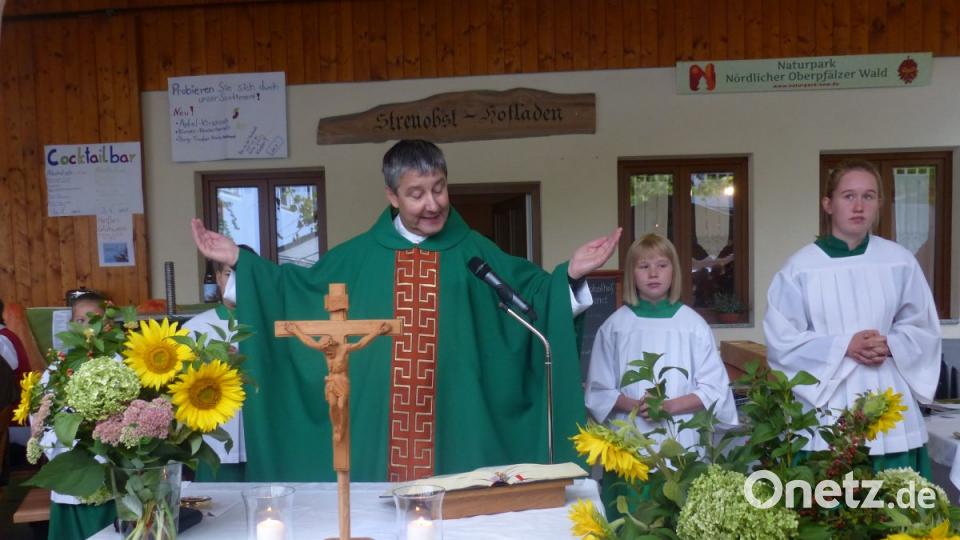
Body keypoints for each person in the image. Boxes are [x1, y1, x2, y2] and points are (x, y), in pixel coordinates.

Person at [192, 139, 621, 482]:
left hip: (458, 430)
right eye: (416, 194)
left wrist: (571, 275)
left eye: (439, 188)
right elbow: (293, 290)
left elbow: (534, 304)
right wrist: (240, 261)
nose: (432, 204)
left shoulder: (475, 253)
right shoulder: (357, 258)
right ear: (392, 196)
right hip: (376, 437)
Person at [764, 160, 941, 476]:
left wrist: (891, 344)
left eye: (869, 196)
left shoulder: (899, 262)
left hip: (891, 405)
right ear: (828, 204)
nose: (859, 206)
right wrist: (845, 345)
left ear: (879, 204)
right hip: (826, 409)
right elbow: (782, 340)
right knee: (831, 514)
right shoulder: (800, 268)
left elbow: (922, 326)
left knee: (899, 509)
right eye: (848, 196)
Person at [584, 234, 738, 516]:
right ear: (631, 273)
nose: (653, 273)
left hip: (683, 444)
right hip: (629, 448)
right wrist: (638, 407)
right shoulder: (616, 326)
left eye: (662, 265)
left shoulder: (693, 325)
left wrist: (668, 407)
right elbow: (598, 391)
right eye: (643, 266)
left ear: (674, 272)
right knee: (634, 523)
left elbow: (715, 389)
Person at [44, 292, 116, 540]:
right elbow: (43, 415)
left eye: (92, 319)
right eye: (79, 320)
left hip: (110, 461)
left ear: (108, 324)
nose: (85, 326)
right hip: (70, 461)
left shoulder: (119, 362)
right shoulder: (58, 368)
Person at [183, 258, 246, 481]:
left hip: (261, 429)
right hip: (217, 429)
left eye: (244, 275)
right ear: (218, 277)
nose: (236, 283)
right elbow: (181, 380)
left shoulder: (274, 323)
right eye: (229, 274)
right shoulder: (195, 327)